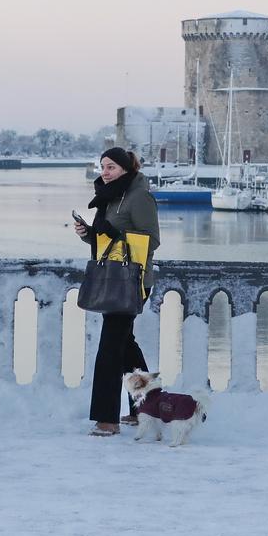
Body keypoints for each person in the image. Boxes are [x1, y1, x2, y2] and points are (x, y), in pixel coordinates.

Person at [73, 147, 160, 437]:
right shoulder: (110, 198)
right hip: (113, 279)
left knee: (110, 349)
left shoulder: (139, 197)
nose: (105, 172)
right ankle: (145, 407)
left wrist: (114, 234)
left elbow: (152, 240)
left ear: (125, 168)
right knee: (125, 345)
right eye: (103, 166)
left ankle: (106, 419)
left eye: (110, 167)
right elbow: (108, 244)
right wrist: (90, 235)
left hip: (132, 282)